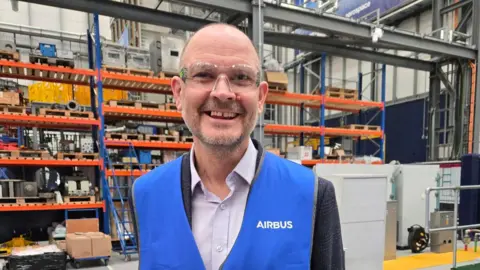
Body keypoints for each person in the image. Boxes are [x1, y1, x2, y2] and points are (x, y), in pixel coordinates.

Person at [129, 23, 345, 270]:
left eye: (241, 77)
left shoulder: (313, 195)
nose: (223, 93)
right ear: (178, 93)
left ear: (261, 97)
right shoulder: (146, 195)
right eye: (204, 75)